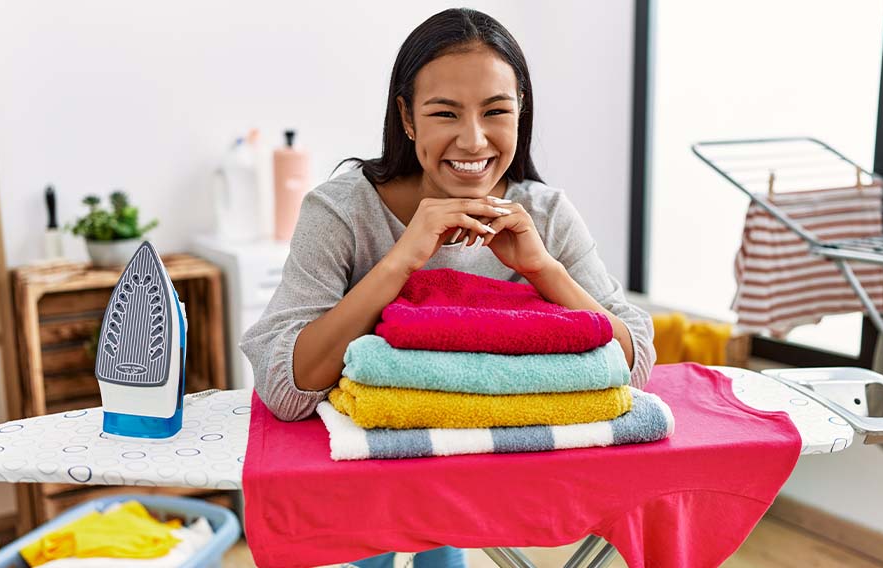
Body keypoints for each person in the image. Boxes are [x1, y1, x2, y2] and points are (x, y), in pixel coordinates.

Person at [240, 7, 655, 567]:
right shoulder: (341, 212)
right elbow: (285, 388)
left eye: (496, 111)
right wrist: (400, 262)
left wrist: (543, 269)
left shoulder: (546, 214)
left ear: (520, 114)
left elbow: (632, 361)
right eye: (445, 113)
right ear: (407, 118)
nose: (473, 139)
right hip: (373, 475)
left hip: (505, 474)